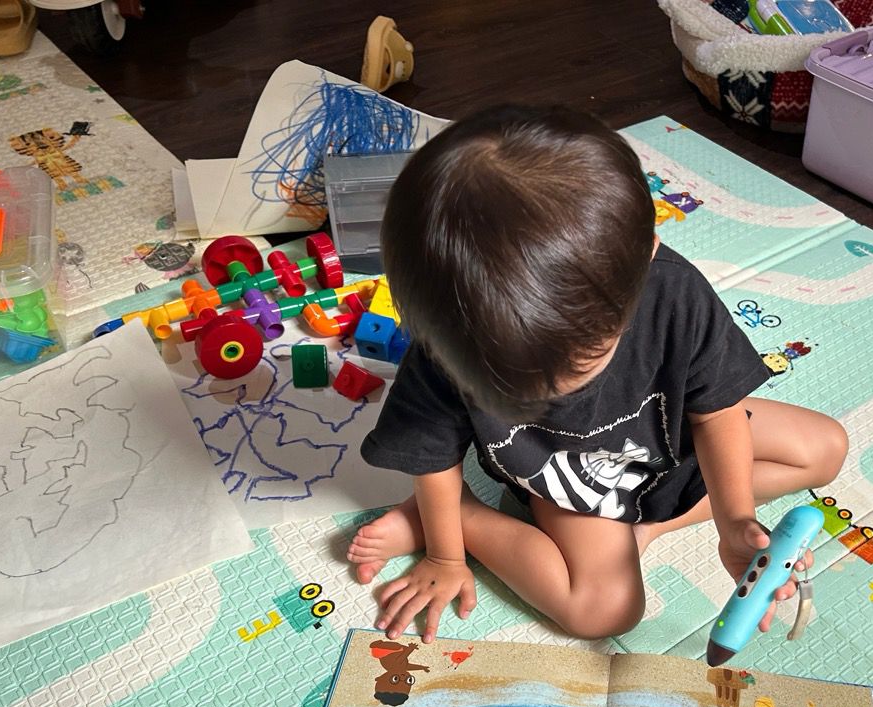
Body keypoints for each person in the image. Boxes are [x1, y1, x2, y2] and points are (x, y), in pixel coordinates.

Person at [349, 105, 847, 643]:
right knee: (604, 612)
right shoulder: (448, 336)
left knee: (825, 449)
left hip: (671, 441)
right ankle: (457, 514)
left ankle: (646, 528)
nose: (546, 391)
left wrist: (734, 524)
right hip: (567, 477)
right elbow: (433, 455)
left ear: (646, 252)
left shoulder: (675, 293)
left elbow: (716, 412)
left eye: (578, 360)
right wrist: (446, 554)